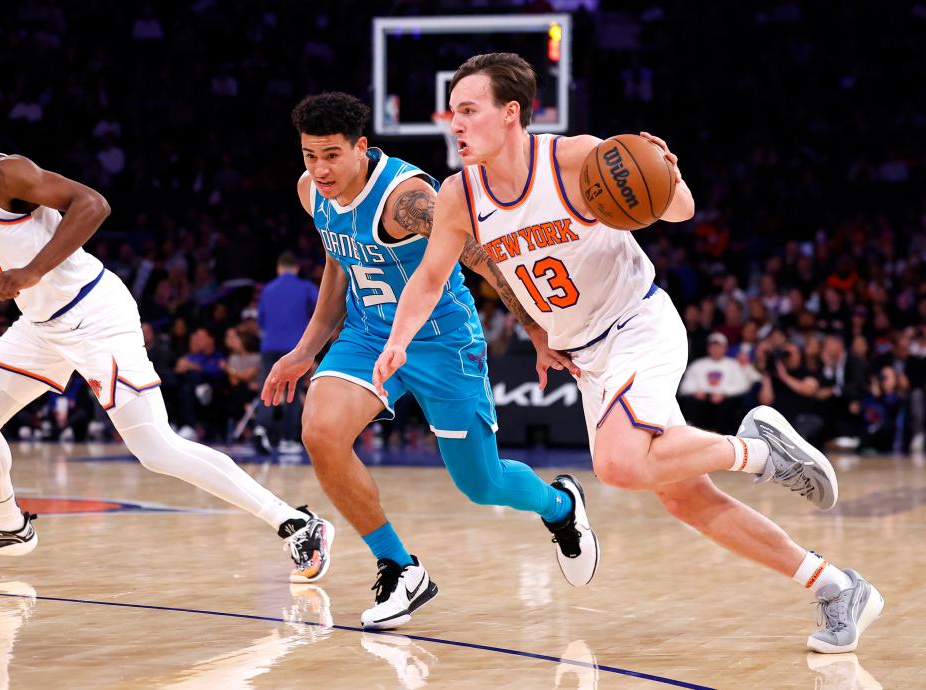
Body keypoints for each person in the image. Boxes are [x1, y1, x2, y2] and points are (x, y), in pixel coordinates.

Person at [372, 53, 882, 653]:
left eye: (468, 110)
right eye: (451, 112)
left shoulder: (575, 158)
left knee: (616, 465)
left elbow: (681, 210)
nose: (454, 123)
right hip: (584, 356)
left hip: (637, 323)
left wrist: (666, 172)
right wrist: (402, 339)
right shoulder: (459, 195)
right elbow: (432, 278)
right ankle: (836, 587)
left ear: (510, 113)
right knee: (684, 496)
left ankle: (755, 450)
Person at [0, 95, 332, 582]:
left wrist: (33, 270)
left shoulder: (5, 173)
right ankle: (8, 524)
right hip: (40, 327)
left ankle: (296, 523)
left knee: (157, 449)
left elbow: (93, 204)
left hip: (95, 315)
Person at [262, 92, 598, 630]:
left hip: (441, 340)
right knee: (321, 432)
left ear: (361, 148)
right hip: (369, 334)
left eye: (331, 155)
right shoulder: (311, 192)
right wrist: (306, 350)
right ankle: (400, 567)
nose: (319, 169)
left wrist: (535, 329)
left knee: (481, 485)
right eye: (309, 156)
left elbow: (486, 258)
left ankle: (559, 507)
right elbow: (338, 262)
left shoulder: (406, 199)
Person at [253, 252, 319, 455]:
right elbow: (321, 309)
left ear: (279, 268)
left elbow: (261, 320)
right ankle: (287, 439)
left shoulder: (267, 290)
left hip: (270, 346)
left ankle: (261, 427)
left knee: (268, 389)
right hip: (295, 348)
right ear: (296, 268)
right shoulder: (305, 287)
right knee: (292, 390)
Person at [678, 332, 755, 433]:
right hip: (702, 398)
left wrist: (724, 393)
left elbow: (742, 386)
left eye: (719, 346)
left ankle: (719, 433)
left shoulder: (733, 364)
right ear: (708, 348)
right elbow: (685, 386)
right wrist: (695, 391)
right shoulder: (698, 364)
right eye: (713, 346)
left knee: (730, 405)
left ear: (725, 348)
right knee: (691, 403)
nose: (716, 349)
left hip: (724, 400)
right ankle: (694, 433)